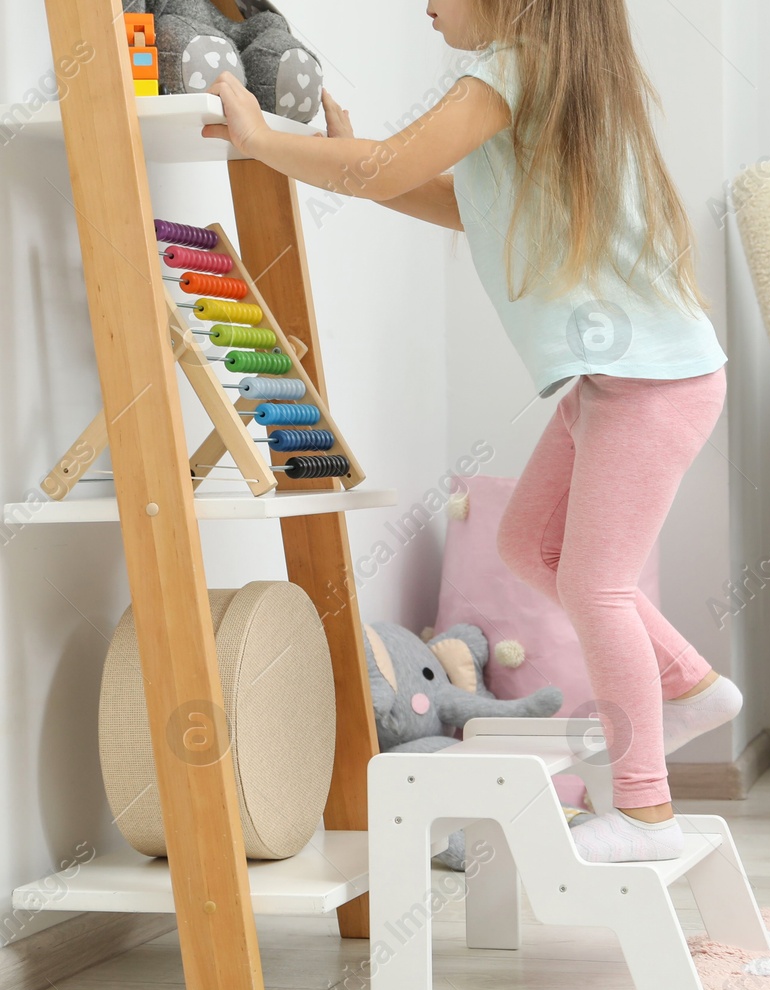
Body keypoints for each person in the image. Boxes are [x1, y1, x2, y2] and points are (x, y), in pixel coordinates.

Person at [203, 0, 742, 862]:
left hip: (651, 385)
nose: (425, 7)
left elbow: (381, 167)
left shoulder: (504, 74)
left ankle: (647, 813)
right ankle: (690, 685)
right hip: (623, 383)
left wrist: (266, 141)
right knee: (532, 545)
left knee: (596, 584)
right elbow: (459, 205)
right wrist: (330, 163)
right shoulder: (547, 79)